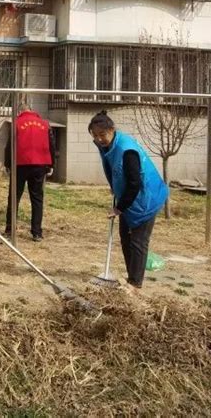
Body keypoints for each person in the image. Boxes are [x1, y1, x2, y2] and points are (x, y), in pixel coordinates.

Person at [88, 111, 168, 291]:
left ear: (112, 130)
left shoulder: (126, 150)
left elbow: (134, 183)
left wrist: (119, 208)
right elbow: (116, 169)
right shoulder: (109, 146)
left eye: (102, 135)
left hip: (145, 198)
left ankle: (135, 284)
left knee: (138, 241)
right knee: (125, 237)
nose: (99, 139)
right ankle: (131, 277)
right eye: (95, 136)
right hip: (130, 198)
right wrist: (115, 187)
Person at [4, 103, 55, 242]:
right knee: (37, 198)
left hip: (20, 164)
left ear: (20, 111)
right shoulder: (45, 124)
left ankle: (10, 229)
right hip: (40, 164)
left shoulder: (17, 123)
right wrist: (51, 164)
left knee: (14, 197)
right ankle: (37, 232)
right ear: (33, 110)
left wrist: (7, 163)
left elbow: (10, 145)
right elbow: (51, 143)